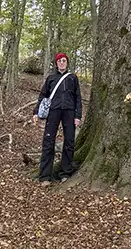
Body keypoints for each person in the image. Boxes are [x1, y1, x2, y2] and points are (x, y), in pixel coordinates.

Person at [33, 52, 82, 185]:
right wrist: (36, 112)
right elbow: (43, 96)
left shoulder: (72, 78)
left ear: (67, 63)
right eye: (59, 61)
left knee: (69, 142)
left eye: (64, 61)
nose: (62, 63)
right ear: (56, 63)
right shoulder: (51, 78)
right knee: (48, 142)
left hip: (69, 112)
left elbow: (78, 98)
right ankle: (45, 176)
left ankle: (65, 173)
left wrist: (78, 116)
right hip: (53, 112)